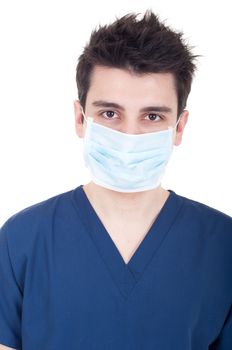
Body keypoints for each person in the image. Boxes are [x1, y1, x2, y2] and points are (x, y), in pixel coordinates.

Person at [0, 9, 231, 350]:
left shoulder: (223, 246)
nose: (129, 135)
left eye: (152, 116)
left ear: (179, 128)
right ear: (80, 118)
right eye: (110, 113)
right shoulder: (22, 241)